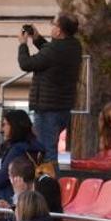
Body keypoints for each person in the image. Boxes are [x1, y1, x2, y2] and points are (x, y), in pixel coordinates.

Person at [17, 14, 83, 163]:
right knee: (49, 148)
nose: (51, 27)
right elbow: (50, 54)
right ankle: (47, 181)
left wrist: (23, 44)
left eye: (53, 24)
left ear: (59, 31)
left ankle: (48, 184)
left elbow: (26, 64)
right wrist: (37, 39)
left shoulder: (53, 50)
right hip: (62, 107)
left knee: (47, 151)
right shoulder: (74, 46)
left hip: (48, 109)